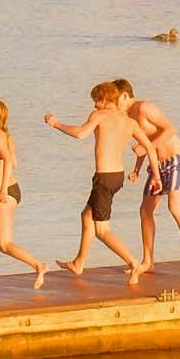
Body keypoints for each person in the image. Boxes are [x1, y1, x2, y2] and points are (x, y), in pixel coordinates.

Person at [44, 83, 155, 285]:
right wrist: (155, 174)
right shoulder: (128, 121)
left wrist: (56, 124)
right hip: (116, 177)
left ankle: (133, 263)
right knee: (87, 215)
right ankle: (79, 263)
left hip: (104, 179)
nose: (94, 105)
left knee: (102, 230)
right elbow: (149, 147)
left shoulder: (98, 116)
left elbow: (80, 134)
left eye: (96, 100)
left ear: (104, 100)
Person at [113, 78, 180, 274]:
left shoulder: (144, 108)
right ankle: (148, 261)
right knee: (145, 210)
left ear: (125, 96)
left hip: (176, 160)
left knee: (175, 207)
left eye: (115, 99)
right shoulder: (129, 119)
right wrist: (136, 169)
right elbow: (144, 145)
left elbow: (170, 129)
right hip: (157, 166)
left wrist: (147, 147)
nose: (112, 104)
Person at [0, 100, 46, 289]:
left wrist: (2, 188)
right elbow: (14, 162)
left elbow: (8, 160)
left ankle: (39, 265)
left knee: (4, 244)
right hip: (10, 190)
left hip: (3, 193)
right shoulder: (6, 136)